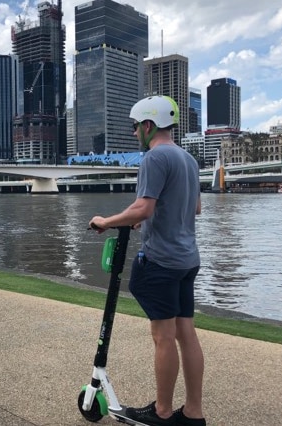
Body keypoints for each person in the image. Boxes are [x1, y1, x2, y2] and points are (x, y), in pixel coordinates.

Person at [88, 96, 205, 426]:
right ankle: (194, 413)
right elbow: (193, 208)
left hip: (161, 261)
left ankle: (163, 413)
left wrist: (106, 221)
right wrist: (145, 219)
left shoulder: (154, 158)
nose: (135, 132)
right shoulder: (188, 159)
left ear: (149, 125)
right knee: (187, 334)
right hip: (187, 260)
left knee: (163, 337)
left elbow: (144, 207)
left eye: (136, 126)